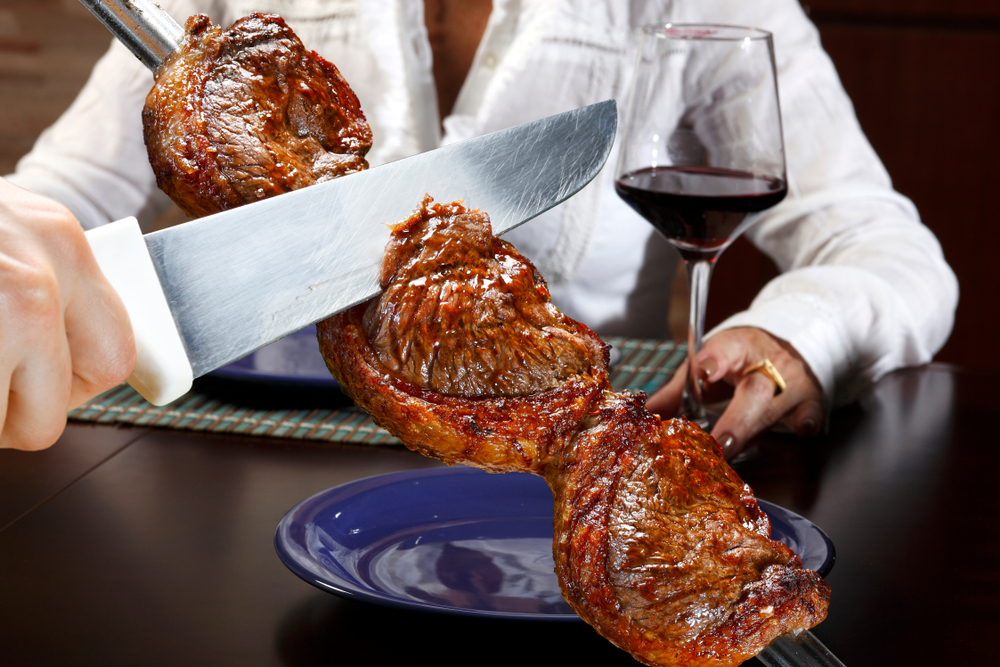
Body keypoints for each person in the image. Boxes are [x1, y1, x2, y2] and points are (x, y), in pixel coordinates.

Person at [0, 0, 958, 457]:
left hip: (546, 496)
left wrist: (798, 336)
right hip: (246, 473)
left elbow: (882, 244)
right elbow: (51, 199)